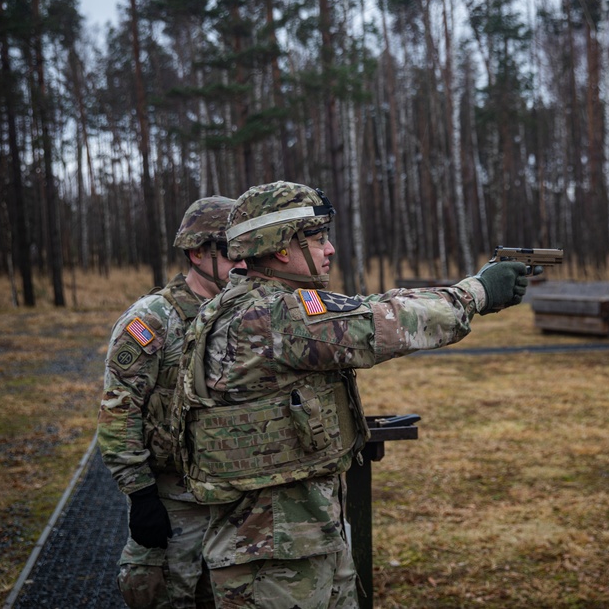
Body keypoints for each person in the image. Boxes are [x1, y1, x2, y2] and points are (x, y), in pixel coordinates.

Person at [170, 181, 534, 608]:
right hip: (272, 555)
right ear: (282, 248)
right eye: (318, 238)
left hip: (296, 535)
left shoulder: (252, 303)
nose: (330, 249)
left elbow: (366, 305)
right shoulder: (275, 315)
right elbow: (382, 324)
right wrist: (477, 292)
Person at [99, 196, 241, 609]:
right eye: (232, 252)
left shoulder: (241, 313)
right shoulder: (152, 320)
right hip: (176, 506)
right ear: (197, 253)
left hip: (234, 502)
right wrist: (141, 496)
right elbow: (118, 413)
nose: (244, 263)